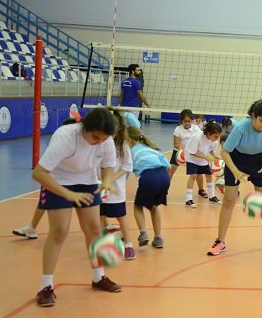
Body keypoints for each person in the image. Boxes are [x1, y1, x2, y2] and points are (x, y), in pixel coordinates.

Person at [31, 108, 121, 307]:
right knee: (59, 232)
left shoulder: (106, 141)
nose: (99, 142)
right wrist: (68, 194)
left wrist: (106, 181)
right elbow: (38, 173)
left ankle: (98, 277)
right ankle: (45, 287)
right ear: (84, 128)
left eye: (104, 139)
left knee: (94, 230)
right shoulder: (66, 137)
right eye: (95, 137)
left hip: (87, 181)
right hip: (57, 180)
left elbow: (107, 166)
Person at [207, 99, 262, 256]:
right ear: (253, 116)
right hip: (236, 160)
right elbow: (225, 151)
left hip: (259, 162)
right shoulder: (241, 128)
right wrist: (235, 171)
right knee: (229, 200)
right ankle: (220, 241)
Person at [13, 117, 79, 240]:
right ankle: (32, 228)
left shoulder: (62, 138)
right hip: (70, 179)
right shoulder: (70, 140)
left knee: (43, 204)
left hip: (56, 178)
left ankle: (32, 228)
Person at [125, 126, 171, 250]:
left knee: (138, 206)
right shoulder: (153, 149)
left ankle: (143, 233)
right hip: (164, 177)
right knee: (154, 207)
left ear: (129, 140)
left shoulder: (131, 151)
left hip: (149, 176)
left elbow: (126, 169)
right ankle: (158, 238)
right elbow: (168, 166)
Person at [99, 109, 136, 260]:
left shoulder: (122, 145)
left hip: (116, 189)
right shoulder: (98, 142)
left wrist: (111, 178)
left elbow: (128, 166)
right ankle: (102, 246)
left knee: (121, 216)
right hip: (99, 187)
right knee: (100, 217)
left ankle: (128, 245)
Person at [184, 121, 224, 206]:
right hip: (191, 158)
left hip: (202, 158)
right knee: (193, 176)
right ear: (209, 134)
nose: (217, 139)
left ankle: (212, 197)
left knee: (209, 175)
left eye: (218, 137)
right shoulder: (197, 137)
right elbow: (192, 152)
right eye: (216, 136)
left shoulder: (214, 140)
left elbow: (211, 150)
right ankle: (188, 199)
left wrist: (215, 155)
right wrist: (206, 157)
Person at [168, 109, 200, 179]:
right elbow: (176, 144)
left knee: (195, 174)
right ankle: (165, 185)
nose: (187, 123)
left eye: (189, 121)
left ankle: (200, 187)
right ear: (181, 120)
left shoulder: (196, 129)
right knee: (170, 170)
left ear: (192, 120)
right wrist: (183, 151)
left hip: (191, 153)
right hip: (179, 152)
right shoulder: (178, 129)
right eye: (185, 121)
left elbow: (199, 142)